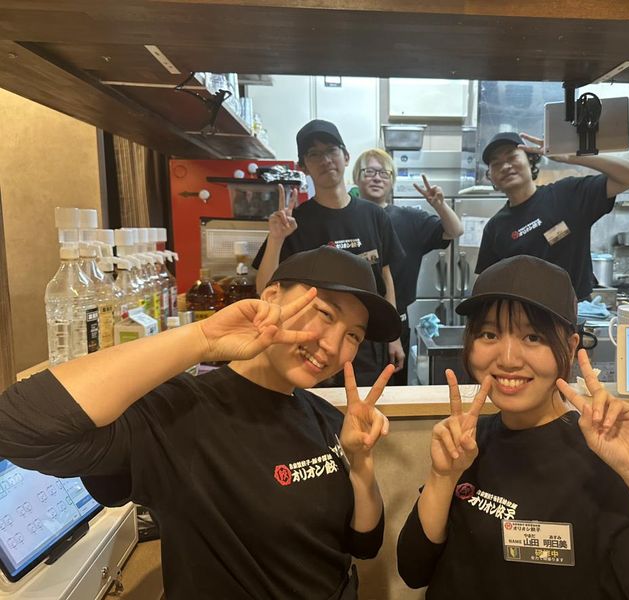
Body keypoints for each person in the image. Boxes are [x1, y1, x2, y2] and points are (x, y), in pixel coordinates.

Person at [0, 246, 402, 600]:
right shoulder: (181, 413)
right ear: (271, 296)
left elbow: (364, 544)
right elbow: (17, 427)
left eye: (353, 335)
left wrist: (361, 464)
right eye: (325, 313)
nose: (333, 346)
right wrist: (203, 338)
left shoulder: (325, 417)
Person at [396, 255, 629, 599]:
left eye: (533, 337)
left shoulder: (600, 459)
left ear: (572, 347)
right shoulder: (469, 444)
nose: (508, 358)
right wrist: (443, 477)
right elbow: (413, 570)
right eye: (489, 334)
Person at [252, 120, 405, 385]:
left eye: (331, 150)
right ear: (303, 166)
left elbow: (386, 278)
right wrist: (276, 239)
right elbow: (264, 289)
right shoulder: (295, 222)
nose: (325, 160)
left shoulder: (375, 216)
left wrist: (394, 336)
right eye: (314, 154)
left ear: (346, 156)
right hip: (313, 342)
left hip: (366, 340)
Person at [476, 131, 629, 299]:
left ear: (530, 160)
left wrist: (571, 156)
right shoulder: (494, 227)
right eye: (496, 164)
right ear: (491, 176)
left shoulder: (568, 195)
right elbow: (487, 286)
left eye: (512, 157)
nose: (505, 166)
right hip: (522, 314)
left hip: (575, 311)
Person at [352, 148, 463, 384]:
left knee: (393, 392)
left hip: (397, 322)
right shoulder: (347, 218)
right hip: (353, 321)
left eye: (384, 173)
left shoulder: (410, 218)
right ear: (356, 178)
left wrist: (439, 205)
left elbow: (455, 231)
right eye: (369, 171)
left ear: (392, 181)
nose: (377, 178)